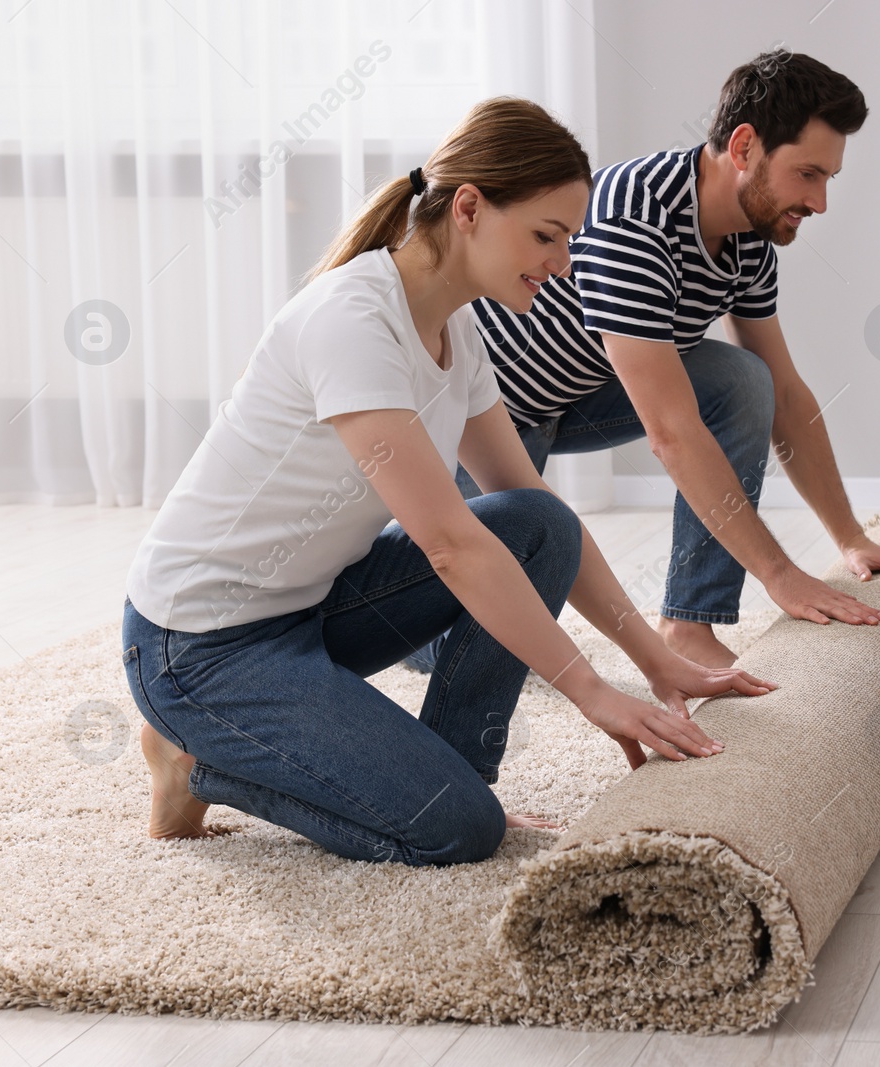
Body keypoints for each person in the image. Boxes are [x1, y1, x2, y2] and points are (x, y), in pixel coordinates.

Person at [120, 97, 775, 868]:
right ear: (468, 208)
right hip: (198, 647)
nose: (563, 263)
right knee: (455, 830)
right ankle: (194, 757)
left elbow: (524, 504)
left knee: (538, 524)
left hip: (311, 609)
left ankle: (459, 771)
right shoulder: (352, 319)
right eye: (546, 235)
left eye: (568, 239)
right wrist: (593, 691)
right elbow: (452, 546)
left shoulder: (455, 326)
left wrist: (654, 659)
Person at [402, 49, 880, 677]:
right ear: (743, 147)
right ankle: (385, 603)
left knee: (745, 381)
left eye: (829, 178)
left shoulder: (749, 239)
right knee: (480, 645)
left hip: (578, 395)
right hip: (487, 421)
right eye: (808, 174)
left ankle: (689, 625)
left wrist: (851, 538)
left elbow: (789, 397)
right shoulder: (636, 218)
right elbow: (669, 431)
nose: (820, 201)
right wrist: (780, 575)